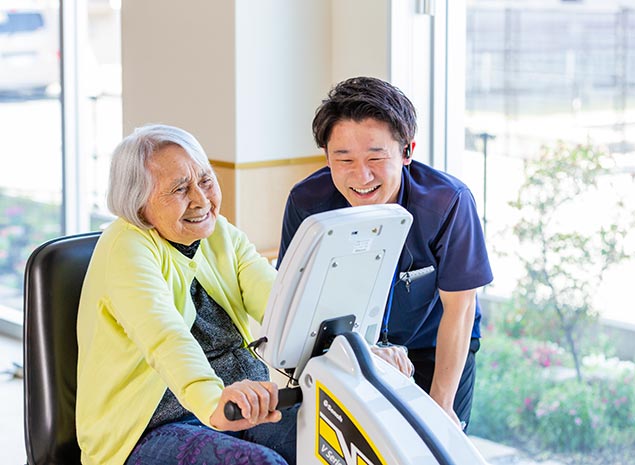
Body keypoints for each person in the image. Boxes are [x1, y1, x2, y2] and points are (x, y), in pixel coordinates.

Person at [277, 76, 494, 432]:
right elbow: (299, 304)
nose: (361, 176)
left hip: (434, 345)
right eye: (343, 159)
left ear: (407, 151)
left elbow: (461, 308)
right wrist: (357, 351)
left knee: (431, 442)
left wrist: (440, 406)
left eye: (376, 157)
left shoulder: (447, 203)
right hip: (345, 348)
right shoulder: (307, 203)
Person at [76, 124, 297, 465]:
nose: (202, 200)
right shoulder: (126, 248)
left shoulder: (220, 232)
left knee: (334, 435)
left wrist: (356, 348)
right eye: (180, 189)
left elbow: (282, 304)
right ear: (138, 203)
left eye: (206, 180)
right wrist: (213, 403)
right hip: (148, 427)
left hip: (237, 407)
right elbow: (165, 336)